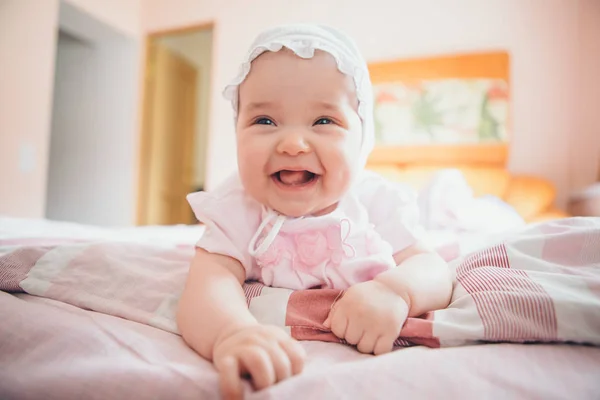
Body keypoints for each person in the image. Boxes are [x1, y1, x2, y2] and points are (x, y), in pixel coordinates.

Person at [177, 23, 452, 399]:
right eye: (264, 121)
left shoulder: (374, 201)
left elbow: (433, 269)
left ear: (362, 138)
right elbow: (208, 284)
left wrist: (396, 291)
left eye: (324, 121)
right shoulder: (238, 206)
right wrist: (233, 333)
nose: (292, 143)